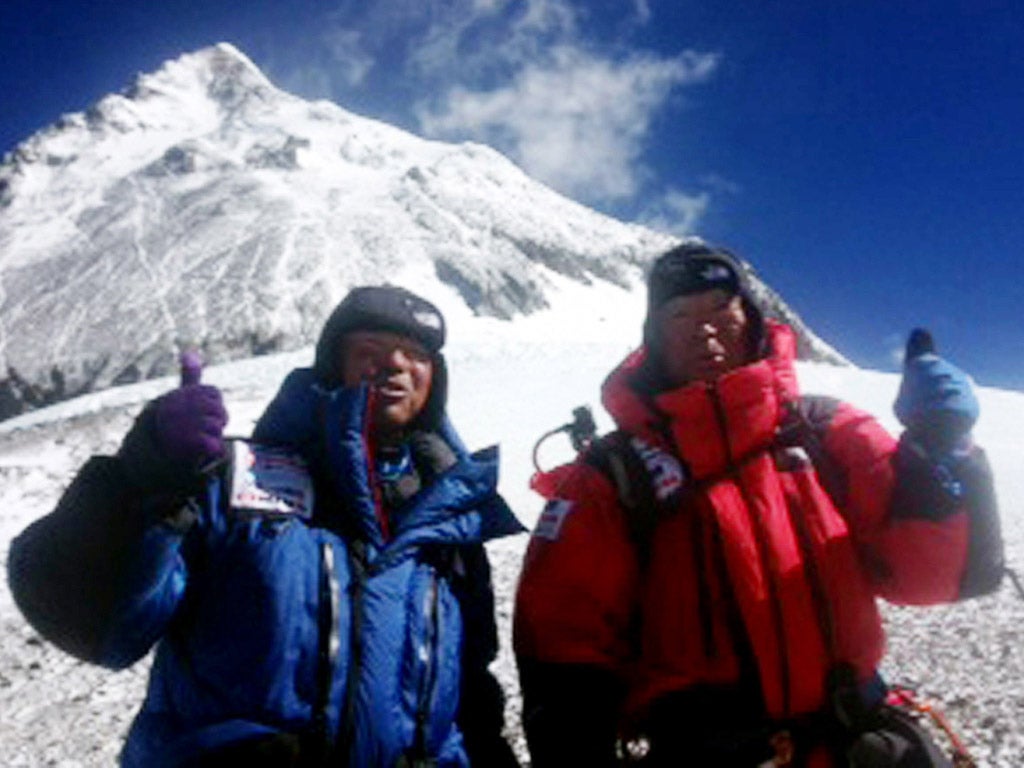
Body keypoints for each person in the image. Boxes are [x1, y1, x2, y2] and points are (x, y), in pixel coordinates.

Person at [513, 243, 1003, 767]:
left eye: (722, 308)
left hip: (849, 744)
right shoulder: (611, 475)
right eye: (681, 314)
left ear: (750, 318)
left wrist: (942, 455)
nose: (705, 329)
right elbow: (564, 641)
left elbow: (931, 577)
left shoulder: (828, 431)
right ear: (653, 337)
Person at [8, 285, 523, 767]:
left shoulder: (450, 523)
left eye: (417, 355)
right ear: (331, 364)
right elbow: (100, 625)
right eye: (371, 347)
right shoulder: (234, 483)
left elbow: (470, 687)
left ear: (434, 382)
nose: (395, 363)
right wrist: (145, 478)